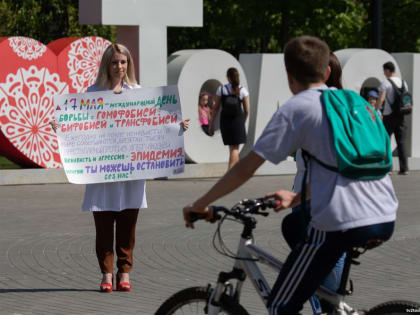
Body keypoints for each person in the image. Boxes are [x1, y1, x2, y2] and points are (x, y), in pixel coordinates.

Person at [183, 36, 398, 315]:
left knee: (281, 306)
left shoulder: (296, 109)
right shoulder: (353, 103)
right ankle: (326, 299)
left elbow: (246, 167)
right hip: (384, 214)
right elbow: (342, 168)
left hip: (342, 222)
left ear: (288, 76)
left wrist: (200, 203)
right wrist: (297, 197)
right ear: (328, 71)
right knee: (293, 226)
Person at [52, 43, 189, 293]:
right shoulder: (92, 93)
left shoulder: (139, 93)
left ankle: (124, 272)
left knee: (128, 225)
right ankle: (106, 273)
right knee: (103, 226)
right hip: (102, 174)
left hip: (131, 173)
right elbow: (80, 125)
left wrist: (176, 126)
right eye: (114, 62)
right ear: (107, 64)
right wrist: (62, 126)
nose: (119, 67)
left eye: (123, 62)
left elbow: (153, 125)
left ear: (129, 64)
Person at [288, 51, 345, 315]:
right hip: (343, 202)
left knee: (307, 270)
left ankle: (328, 303)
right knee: (331, 257)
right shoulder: (346, 106)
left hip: (312, 201)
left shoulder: (315, 111)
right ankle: (331, 300)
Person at [209, 68, 249, 170]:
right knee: (235, 148)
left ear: (228, 77)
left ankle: (233, 172)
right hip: (238, 121)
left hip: (225, 121)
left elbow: (216, 108)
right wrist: (242, 122)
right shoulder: (242, 90)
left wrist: (211, 124)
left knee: (232, 148)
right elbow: (247, 110)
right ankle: (231, 172)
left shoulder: (221, 89)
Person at [375, 61, 410, 175]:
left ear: (387, 70)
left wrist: (375, 110)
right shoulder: (404, 83)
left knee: (386, 141)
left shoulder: (385, 83)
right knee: (401, 142)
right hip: (401, 116)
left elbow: (381, 99)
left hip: (389, 116)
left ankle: (388, 167)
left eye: (384, 71)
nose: (384, 73)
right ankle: (404, 168)